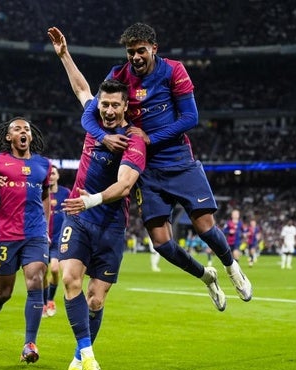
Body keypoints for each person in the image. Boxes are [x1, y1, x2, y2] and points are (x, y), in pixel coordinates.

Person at [80, 22, 252, 306]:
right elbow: (89, 116)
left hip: (178, 160)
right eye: (130, 52)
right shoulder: (118, 75)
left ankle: (232, 267)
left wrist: (150, 138)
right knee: (161, 243)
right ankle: (205, 276)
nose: (135, 57)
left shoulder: (173, 70)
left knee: (205, 227)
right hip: (144, 169)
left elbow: (190, 118)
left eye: (140, 51)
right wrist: (104, 137)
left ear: (154, 49)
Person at [49, 26, 146, 370]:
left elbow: (123, 186)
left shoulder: (134, 142)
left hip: (110, 225)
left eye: (113, 105)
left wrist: (90, 198)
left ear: (124, 108)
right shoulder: (93, 121)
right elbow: (80, 88)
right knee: (70, 281)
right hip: (78, 216)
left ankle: (77, 361)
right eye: (103, 104)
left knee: (95, 298)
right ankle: (88, 354)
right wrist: (64, 55)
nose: (106, 110)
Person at [0, 116, 52, 364]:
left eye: (26, 129)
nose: (23, 131)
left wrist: (46, 227)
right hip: (6, 235)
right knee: (4, 292)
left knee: (36, 280)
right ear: (9, 137)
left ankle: (29, 343)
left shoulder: (43, 165)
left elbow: (46, 194)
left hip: (35, 234)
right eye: (17, 129)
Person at [43, 165, 71, 318]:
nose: (51, 176)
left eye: (53, 173)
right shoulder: (42, 192)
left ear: (58, 176)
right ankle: (43, 303)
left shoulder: (65, 193)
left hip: (58, 240)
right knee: (42, 273)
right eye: (49, 174)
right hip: (43, 239)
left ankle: (50, 299)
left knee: (54, 269)